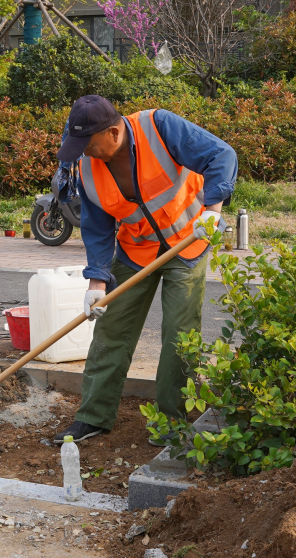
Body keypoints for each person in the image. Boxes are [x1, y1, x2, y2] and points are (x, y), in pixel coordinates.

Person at [52, 94, 237, 442]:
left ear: (113, 132)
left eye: (89, 144)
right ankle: (93, 416)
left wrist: (213, 210)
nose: (84, 152)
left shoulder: (159, 127)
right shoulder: (87, 167)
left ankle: (171, 421)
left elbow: (221, 155)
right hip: (137, 250)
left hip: (188, 241)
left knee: (179, 335)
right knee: (111, 330)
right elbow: (96, 227)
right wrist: (96, 282)